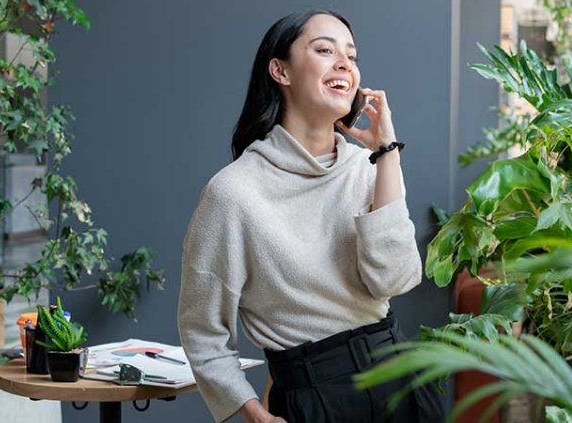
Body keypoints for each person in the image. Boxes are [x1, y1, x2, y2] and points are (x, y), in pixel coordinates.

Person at [178, 9, 444, 423]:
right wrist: (252, 413)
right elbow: (202, 329)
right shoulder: (233, 193)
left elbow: (394, 280)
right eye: (324, 50)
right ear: (280, 71)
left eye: (352, 57)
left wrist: (387, 154)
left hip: (399, 379)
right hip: (314, 393)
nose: (345, 64)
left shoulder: (370, 166)